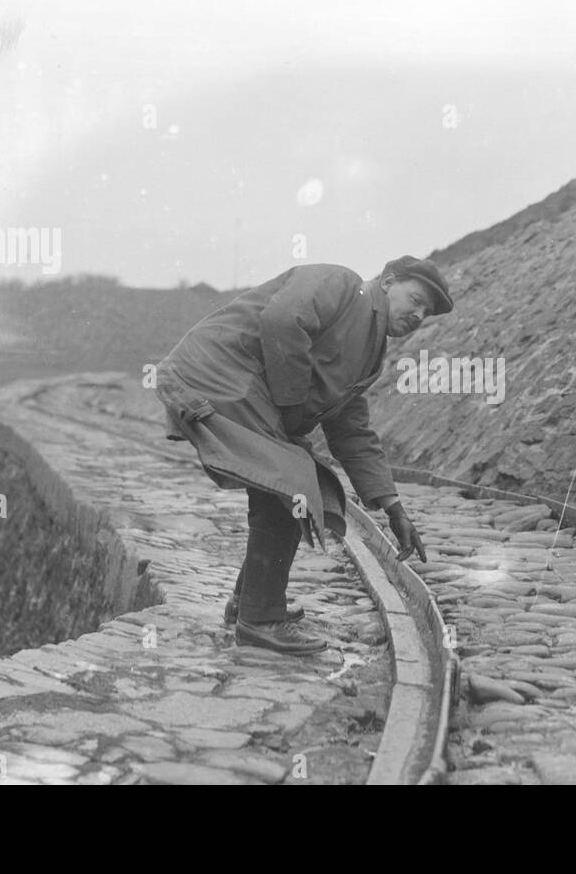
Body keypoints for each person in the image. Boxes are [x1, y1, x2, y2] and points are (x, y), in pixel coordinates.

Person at [154, 256, 453, 655]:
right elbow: (282, 320)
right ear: (388, 281)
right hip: (218, 372)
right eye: (415, 299)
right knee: (289, 482)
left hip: (241, 386)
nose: (418, 314)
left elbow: (350, 428)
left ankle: (250, 605)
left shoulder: (370, 352)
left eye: (426, 312)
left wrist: (392, 505)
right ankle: (260, 621)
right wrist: (292, 405)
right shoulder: (341, 284)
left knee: (288, 486)